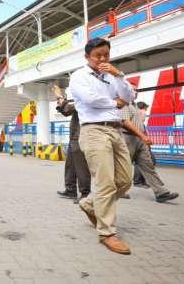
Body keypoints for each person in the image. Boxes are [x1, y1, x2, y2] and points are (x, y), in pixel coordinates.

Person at [69, 38, 135, 255]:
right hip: (94, 131)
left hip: (115, 130)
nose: (103, 59)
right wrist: (115, 102)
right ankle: (107, 233)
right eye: (98, 55)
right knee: (105, 182)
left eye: (106, 54)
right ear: (87, 56)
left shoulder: (112, 76)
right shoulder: (79, 76)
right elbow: (89, 99)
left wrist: (119, 76)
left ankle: (89, 204)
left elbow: (129, 97)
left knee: (124, 181)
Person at [121, 98, 179, 203]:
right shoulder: (124, 104)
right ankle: (119, 190)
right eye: (132, 89)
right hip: (128, 138)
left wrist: (142, 136)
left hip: (139, 138)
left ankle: (161, 192)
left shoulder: (135, 106)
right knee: (124, 166)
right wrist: (142, 135)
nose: (134, 92)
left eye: (134, 90)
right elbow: (125, 122)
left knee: (148, 164)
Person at [52, 84, 91, 204]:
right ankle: (70, 190)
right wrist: (62, 99)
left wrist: (60, 96)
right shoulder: (81, 100)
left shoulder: (86, 100)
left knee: (81, 168)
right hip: (74, 137)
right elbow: (66, 110)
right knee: (70, 165)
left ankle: (85, 194)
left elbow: (67, 110)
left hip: (80, 138)